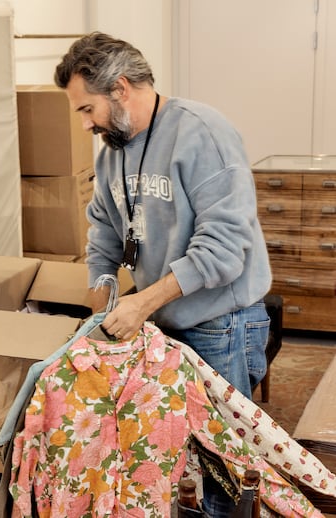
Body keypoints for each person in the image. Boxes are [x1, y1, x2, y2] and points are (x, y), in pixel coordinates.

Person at [55, 31, 272, 518]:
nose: (85, 124)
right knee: (173, 454)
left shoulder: (202, 133)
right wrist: (103, 293)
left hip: (223, 324)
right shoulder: (114, 147)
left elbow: (223, 248)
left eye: (87, 109)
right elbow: (104, 230)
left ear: (121, 88)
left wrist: (140, 303)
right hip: (166, 321)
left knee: (226, 467)